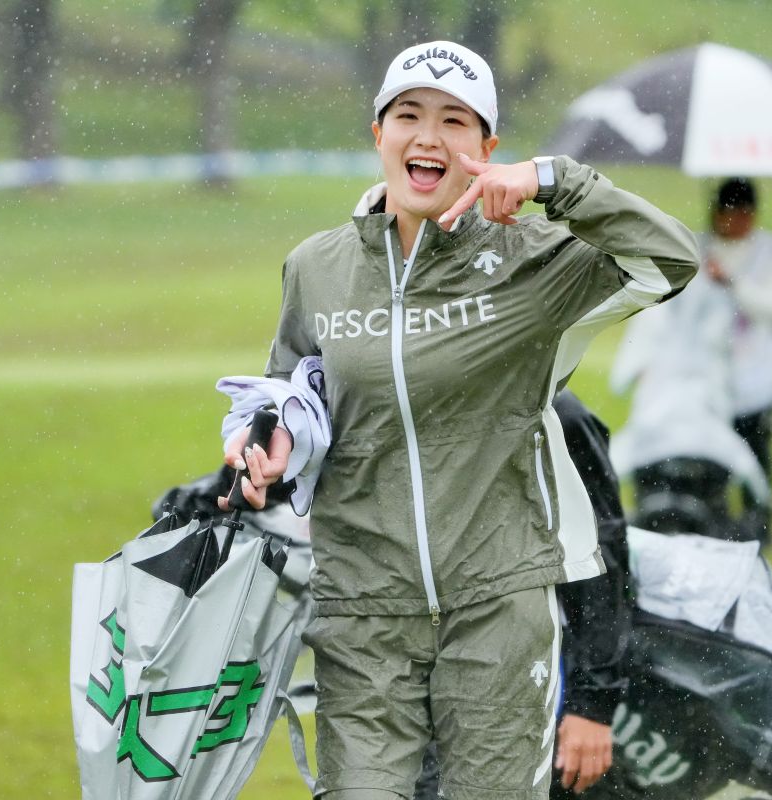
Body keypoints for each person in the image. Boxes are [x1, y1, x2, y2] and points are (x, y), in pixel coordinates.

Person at [218, 39, 697, 800]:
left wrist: (552, 182)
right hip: (363, 610)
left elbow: (669, 260)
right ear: (379, 134)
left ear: (486, 148)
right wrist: (266, 445)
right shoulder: (317, 268)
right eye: (408, 115)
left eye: (455, 121)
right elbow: (289, 390)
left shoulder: (533, 261)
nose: (428, 136)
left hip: (497, 606)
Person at [413, 389, 633, 799]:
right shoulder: (388, 400)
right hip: (411, 673)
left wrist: (592, 706)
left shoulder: (556, 415)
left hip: (523, 677)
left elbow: (602, 563)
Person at [702, 177, 772, 546]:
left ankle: (760, 532)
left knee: (756, 458)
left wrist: (732, 282)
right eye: (729, 214)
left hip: (755, 377)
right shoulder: (699, 249)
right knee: (711, 458)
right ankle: (715, 526)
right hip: (707, 378)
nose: (736, 222)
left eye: (743, 215)